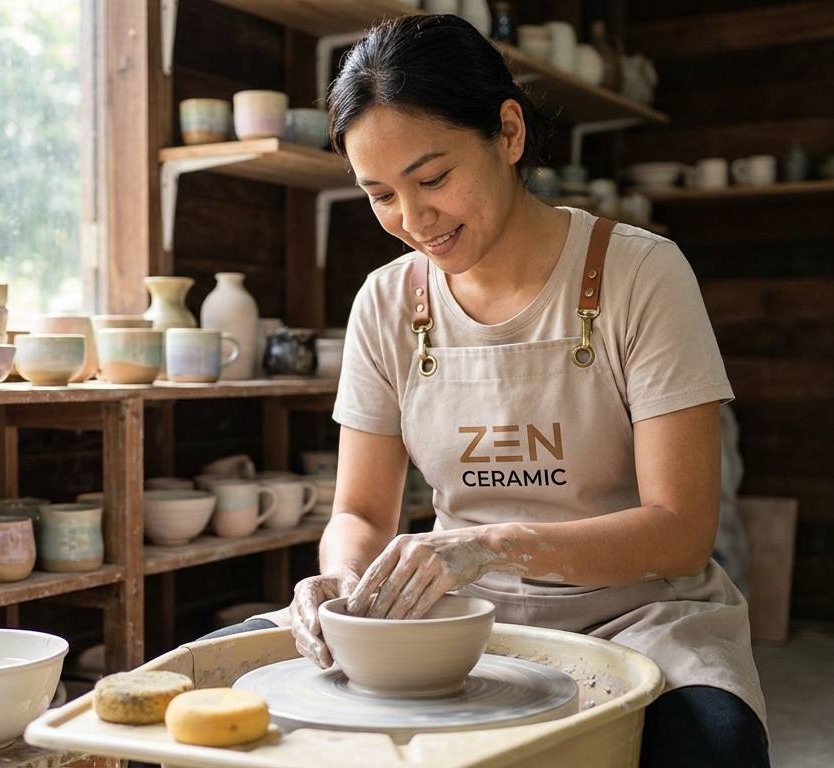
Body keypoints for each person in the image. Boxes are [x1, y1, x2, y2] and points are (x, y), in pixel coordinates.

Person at [200, 14, 769, 767]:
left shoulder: (640, 272)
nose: (413, 219)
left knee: (715, 748)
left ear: (508, 133)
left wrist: (490, 546)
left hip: (637, 614)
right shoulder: (387, 300)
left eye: (432, 178)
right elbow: (359, 512)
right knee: (202, 688)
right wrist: (338, 581)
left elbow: (680, 529)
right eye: (381, 195)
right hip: (457, 617)